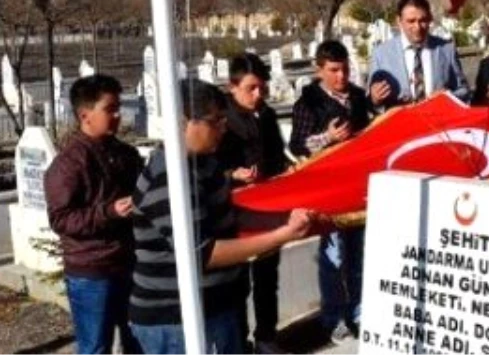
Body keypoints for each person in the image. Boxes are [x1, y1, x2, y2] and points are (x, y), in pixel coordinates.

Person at [130, 80, 313, 355]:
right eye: (215, 121)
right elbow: (205, 253)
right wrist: (282, 235)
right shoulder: (170, 178)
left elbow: (228, 215)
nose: (223, 128)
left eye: (223, 120)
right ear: (183, 121)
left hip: (217, 305)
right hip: (176, 318)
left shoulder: (205, 164)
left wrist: (281, 220)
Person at [44, 74, 143, 355]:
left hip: (128, 260)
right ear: (85, 115)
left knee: (137, 339)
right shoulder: (68, 165)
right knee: (95, 347)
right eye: (110, 109)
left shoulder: (125, 154)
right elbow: (61, 219)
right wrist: (108, 212)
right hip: (92, 271)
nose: (117, 115)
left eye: (118, 108)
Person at [290, 41, 373, 344]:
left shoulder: (359, 98)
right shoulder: (308, 102)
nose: (341, 76)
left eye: (345, 69)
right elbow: (297, 145)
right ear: (320, 69)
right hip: (328, 189)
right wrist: (328, 138)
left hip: (359, 187)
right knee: (333, 256)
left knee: (358, 253)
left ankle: (359, 310)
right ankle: (333, 316)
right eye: (334, 70)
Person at [217, 53, 290, 353]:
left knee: (267, 277)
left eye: (262, 88)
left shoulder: (268, 115)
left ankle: (266, 337)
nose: (258, 95)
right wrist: (231, 174)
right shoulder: (221, 120)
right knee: (237, 284)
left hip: (267, 207)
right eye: (251, 88)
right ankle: (238, 340)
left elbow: (276, 156)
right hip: (234, 212)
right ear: (232, 87)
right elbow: (205, 165)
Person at [368, 0, 470, 109]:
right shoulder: (381, 54)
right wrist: (375, 99)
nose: (417, 27)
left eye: (423, 20)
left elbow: (464, 91)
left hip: (438, 122)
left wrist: (448, 97)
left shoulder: (446, 50)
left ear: (430, 19)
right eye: (411, 21)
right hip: (400, 124)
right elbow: (371, 102)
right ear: (399, 21)